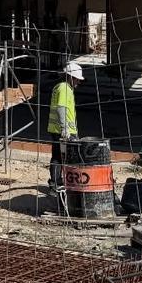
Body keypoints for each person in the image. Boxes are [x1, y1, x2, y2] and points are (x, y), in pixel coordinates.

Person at [47, 61, 84, 193]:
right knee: (67, 158)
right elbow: (61, 108)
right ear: (70, 76)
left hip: (56, 129)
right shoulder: (64, 88)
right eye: (77, 79)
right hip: (63, 131)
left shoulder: (59, 87)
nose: (78, 82)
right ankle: (60, 183)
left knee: (58, 156)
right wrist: (65, 129)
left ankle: (56, 183)